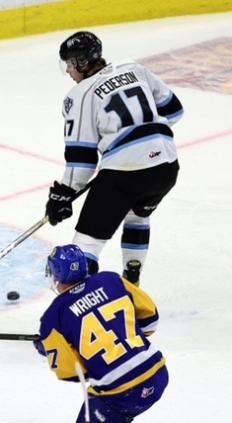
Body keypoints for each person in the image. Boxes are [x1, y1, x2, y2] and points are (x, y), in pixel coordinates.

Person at [44, 31, 184, 284]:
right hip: (166, 167)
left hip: (125, 174)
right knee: (137, 215)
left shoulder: (80, 95)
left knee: (85, 245)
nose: (67, 71)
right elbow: (174, 110)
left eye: (69, 64)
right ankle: (132, 280)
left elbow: (82, 158)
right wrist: (147, 139)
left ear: (81, 63)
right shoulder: (134, 68)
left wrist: (64, 193)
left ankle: (87, 307)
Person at [35, 244, 168, 422]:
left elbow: (72, 372)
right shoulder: (111, 280)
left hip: (119, 393)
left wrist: (50, 349)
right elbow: (151, 320)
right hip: (157, 374)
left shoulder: (53, 317)